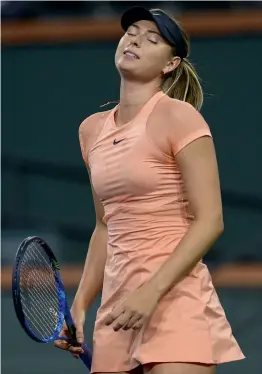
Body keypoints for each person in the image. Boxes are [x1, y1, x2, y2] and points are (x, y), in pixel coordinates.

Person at [55, 6, 245, 374]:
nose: (136, 39)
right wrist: (80, 304)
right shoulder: (91, 130)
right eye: (132, 32)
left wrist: (151, 292)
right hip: (117, 310)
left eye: (152, 38)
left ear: (170, 64)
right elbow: (105, 226)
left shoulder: (179, 116)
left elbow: (210, 221)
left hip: (175, 298)